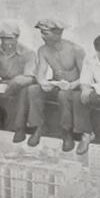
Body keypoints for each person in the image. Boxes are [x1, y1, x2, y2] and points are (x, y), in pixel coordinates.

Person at [32, 19, 88, 152]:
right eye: (41, 33)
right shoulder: (43, 50)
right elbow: (41, 72)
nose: (42, 36)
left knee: (63, 95)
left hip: (75, 87)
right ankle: (38, 126)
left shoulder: (76, 50)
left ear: (58, 34)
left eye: (46, 33)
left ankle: (66, 132)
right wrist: (43, 83)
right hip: (57, 84)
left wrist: (72, 85)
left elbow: (85, 76)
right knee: (33, 90)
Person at [0, 21, 39, 144]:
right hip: (3, 84)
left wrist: (17, 81)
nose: (5, 42)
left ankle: (19, 128)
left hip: (20, 84)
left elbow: (30, 76)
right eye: (2, 38)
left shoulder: (28, 53)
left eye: (9, 38)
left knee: (24, 91)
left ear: (17, 37)